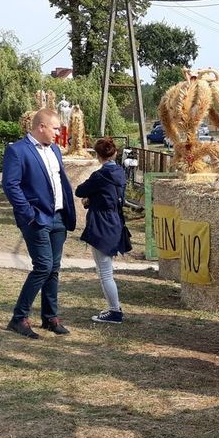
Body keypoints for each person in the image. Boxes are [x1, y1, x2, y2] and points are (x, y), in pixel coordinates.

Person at [1, 108, 76, 339]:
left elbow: (59, 181)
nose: (58, 132)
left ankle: (50, 318)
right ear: (41, 127)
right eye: (55, 128)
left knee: (53, 269)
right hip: (36, 219)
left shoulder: (54, 149)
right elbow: (10, 185)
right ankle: (18, 318)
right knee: (43, 266)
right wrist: (28, 213)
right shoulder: (17, 151)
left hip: (59, 218)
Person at [74, 138, 131, 323]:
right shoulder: (120, 173)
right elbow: (111, 197)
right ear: (115, 153)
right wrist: (94, 199)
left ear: (97, 156)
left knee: (105, 273)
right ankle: (114, 309)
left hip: (101, 224)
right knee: (107, 270)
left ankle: (114, 311)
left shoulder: (99, 176)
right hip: (116, 222)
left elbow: (80, 191)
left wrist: (90, 198)